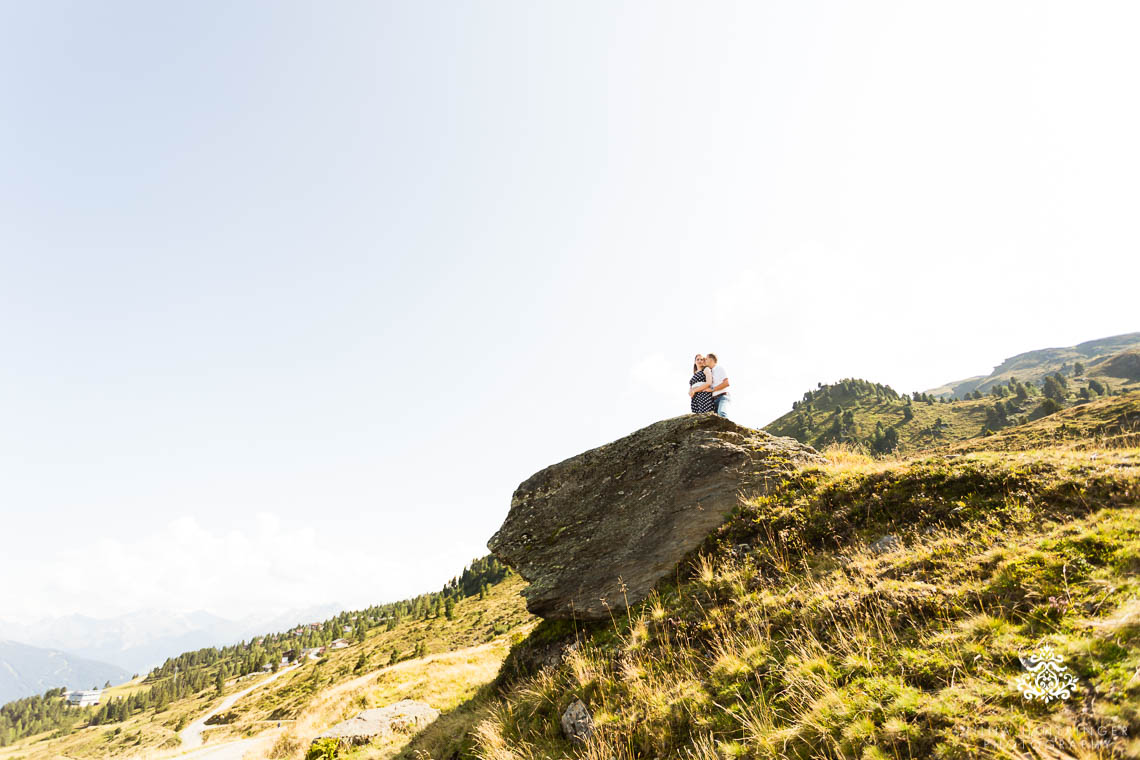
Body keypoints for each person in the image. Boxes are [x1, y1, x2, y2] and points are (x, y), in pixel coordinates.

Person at [705, 352, 731, 418]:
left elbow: (726, 383)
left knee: (722, 413)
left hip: (722, 397)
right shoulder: (709, 372)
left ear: (711, 359)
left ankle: (727, 428)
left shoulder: (719, 368)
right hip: (714, 400)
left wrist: (712, 389)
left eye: (706, 359)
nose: (705, 361)